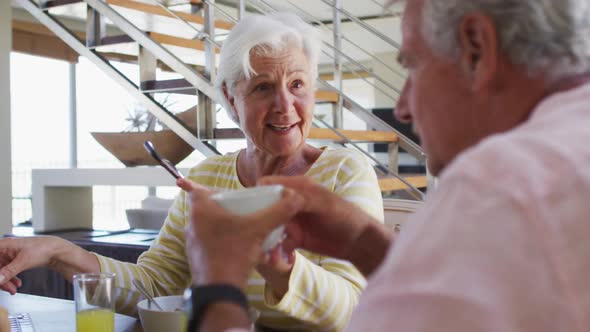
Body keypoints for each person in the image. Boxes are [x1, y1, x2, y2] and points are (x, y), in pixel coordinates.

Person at [178, 0, 590, 331]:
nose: (403, 106)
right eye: (263, 87)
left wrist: (218, 288)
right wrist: (365, 242)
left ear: (476, 49)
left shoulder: (502, 184)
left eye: (411, 64)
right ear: (231, 100)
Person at [0, 12, 384, 332]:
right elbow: (155, 286)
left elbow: (353, 310)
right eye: (264, 87)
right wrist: (57, 252)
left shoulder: (345, 172)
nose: (286, 105)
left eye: (297, 84)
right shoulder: (208, 176)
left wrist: (272, 258)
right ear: (231, 99)